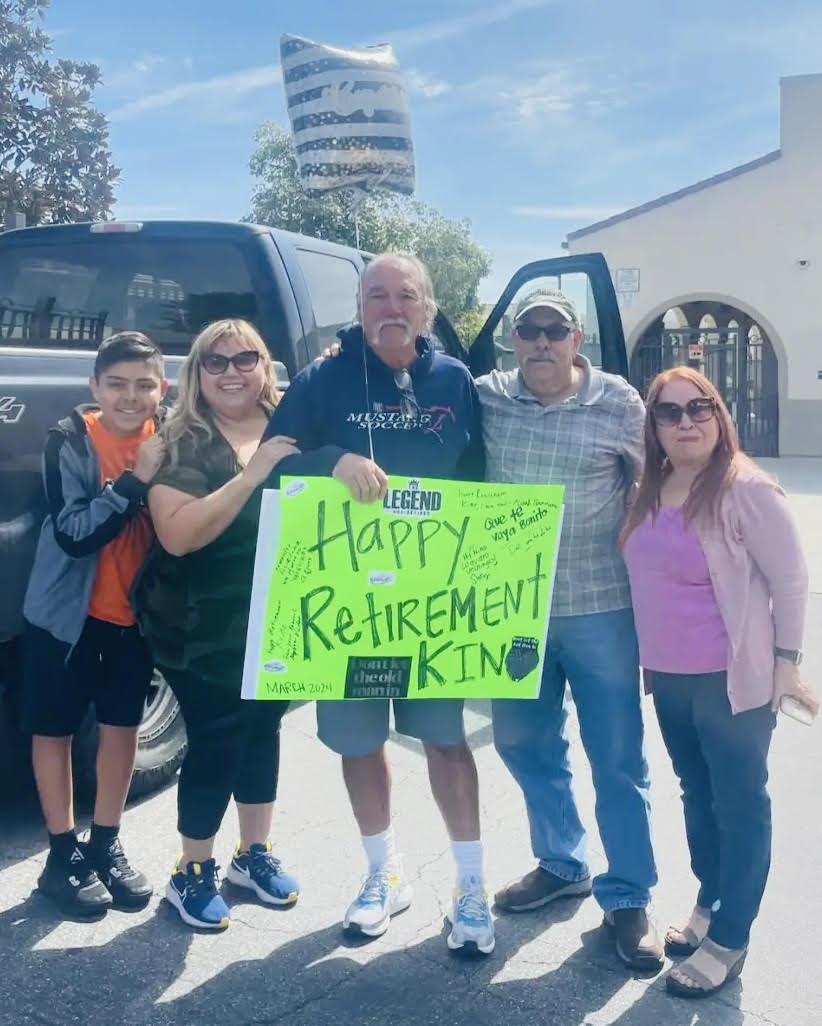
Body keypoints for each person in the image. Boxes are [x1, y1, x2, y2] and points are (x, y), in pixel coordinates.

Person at [264, 252, 494, 955]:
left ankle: (471, 887)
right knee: (360, 744)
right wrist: (330, 458)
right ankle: (383, 873)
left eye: (406, 295)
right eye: (376, 295)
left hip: (433, 609)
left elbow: (482, 478)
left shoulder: (456, 380)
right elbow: (273, 455)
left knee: (446, 743)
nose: (391, 307)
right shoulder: (323, 376)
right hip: (349, 608)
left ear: (428, 307)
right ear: (358, 307)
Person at [477, 288, 664, 971]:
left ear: (576, 337)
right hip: (512, 610)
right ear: (514, 340)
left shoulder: (617, 402)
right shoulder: (487, 396)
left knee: (617, 757)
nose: (541, 344)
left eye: (554, 331)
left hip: (601, 606)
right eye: (528, 332)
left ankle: (628, 894)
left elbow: (655, 493)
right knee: (523, 741)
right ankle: (562, 862)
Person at [621, 366, 816, 998]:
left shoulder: (746, 489)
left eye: (698, 408)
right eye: (669, 412)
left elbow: (789, 581)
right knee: (696, 794)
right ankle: (710, 901)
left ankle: (731, 935)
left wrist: (787, 663)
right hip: (669, 677)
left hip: (732, 680)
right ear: (652, 426)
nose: (685, 422)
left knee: (738, 804)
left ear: (719, 414)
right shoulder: (650, 487)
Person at [136, 319, 300, 930]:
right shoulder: (178, 441)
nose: (232, 371)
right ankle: (191, 870)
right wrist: (253, 474)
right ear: (196, 373)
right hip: (196, 622)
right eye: (216, 361)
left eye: (245, 358)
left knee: (263, 731)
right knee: (218, 738)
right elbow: (178, 537)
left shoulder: (292, 430)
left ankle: (251, 855)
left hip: (277, 617)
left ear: (265, 366)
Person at [22, 332, 167, 918]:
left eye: (144, 385)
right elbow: (74, 534)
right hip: (66, 618)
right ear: (95, 387)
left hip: (134, 619)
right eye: (117, 385)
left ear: (162, 389)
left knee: (121, 729)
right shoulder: (70, 442)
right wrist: (133, 484)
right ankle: (62, 855)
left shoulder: (172, 440)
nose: (130, 398)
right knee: (53, 730)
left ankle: (105, 842)